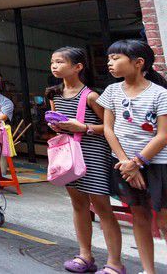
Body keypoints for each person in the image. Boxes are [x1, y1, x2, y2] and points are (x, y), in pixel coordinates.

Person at [47, 47, 123, 274]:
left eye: (60, 62)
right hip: (69, 157)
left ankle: (115, 263)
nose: (54, 66)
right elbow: (59, 125)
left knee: (102, 207)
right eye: (52, 62)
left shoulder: (91, 96)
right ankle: (85, 256)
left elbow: (112, 128)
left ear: (78, 67)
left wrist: (84, 127)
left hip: (93, 155)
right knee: (78, 205)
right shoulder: (55, 95)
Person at [98, 39, 167, 274]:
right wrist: (126, 163)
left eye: (116, 58)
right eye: (109, 58)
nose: (110, 63)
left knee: (165, 220)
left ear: (138, 63)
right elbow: (109, 128)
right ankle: (149, 271)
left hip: (157, 164)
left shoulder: (160, 94)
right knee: (140, 217)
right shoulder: (111, 91)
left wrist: (136, 162)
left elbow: (163, 135)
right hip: (124, 163)